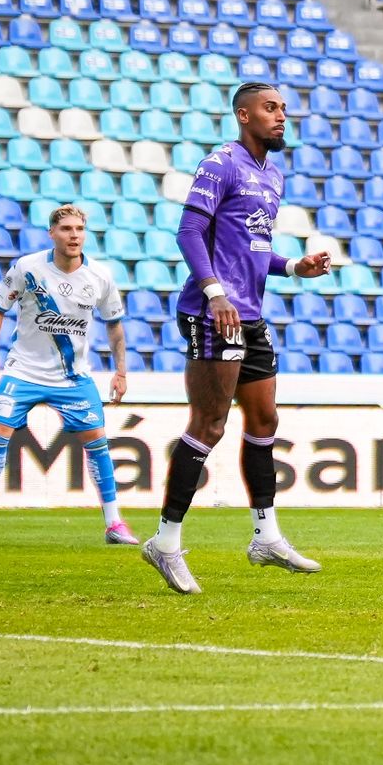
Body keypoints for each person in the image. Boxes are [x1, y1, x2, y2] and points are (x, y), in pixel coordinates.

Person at [142, 83, 333, 595]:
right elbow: (188, 232)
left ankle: (266, 537)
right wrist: (215, 293)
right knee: (209, 425)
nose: (281, 117)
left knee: (266, 419)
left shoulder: (273, 174)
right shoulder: (220, 163)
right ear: (243, 114)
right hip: (214, 312)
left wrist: (294, 265)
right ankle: (165, 542)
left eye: (285, 110)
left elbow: (253, 248)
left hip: (248, 315)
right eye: (271, 109)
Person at [0, 206, 135, 548]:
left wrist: (120, 370)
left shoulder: (100, 277)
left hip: (73, 378)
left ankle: (114, 523)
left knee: (98, 442)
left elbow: (114, 325)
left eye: (79, 229)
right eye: (66, 229)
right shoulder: (28, 268)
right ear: (52, 234)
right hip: (23, 370)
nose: (74, 235)